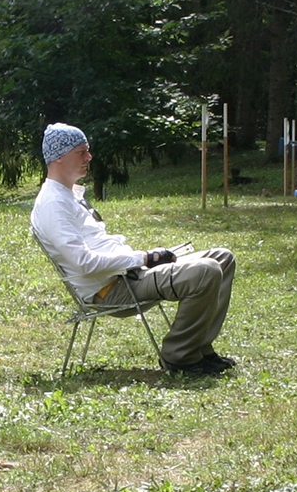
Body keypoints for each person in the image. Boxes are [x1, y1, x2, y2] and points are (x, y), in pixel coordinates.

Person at [30, 123, 237, 375]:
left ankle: (200, 348)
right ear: (59, 157)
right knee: (206, 270)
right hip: (112, 289)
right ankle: (180, 356)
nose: (89, 157)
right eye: (81, 152)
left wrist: (143, 259)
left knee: (223, 257)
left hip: (128, 276)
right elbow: (83, 263)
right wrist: (145, 258)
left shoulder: (69, 195)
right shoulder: (53, 203)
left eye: (88, 150)